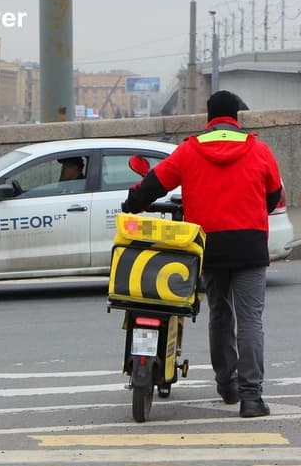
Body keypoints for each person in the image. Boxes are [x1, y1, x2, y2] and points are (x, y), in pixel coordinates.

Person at [121, 90, 282, 418]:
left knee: (220, 313)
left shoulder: (190, 151)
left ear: (209, 117)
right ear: (236, 116)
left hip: (209, 246)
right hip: (250, 244)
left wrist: (131, 204)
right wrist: (254, 216)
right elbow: (274, 193)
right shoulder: (258, 149)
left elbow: (155, 183)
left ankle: (227, 384)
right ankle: (252, 398)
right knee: (250, 318)